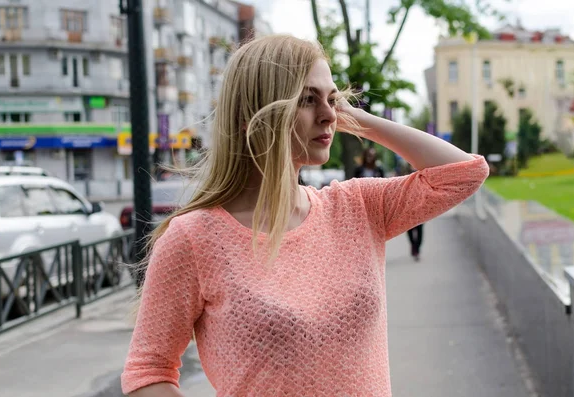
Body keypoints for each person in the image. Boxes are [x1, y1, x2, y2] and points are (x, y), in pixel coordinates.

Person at [121, 35, 489, 397]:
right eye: (308, 99)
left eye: (333, 99)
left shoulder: (356, 206)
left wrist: (357, 119)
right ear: (260, 112)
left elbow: (463, 173)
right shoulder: (194, 238)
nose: (329, 114)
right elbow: (147, 370)